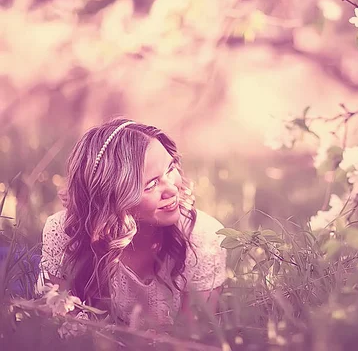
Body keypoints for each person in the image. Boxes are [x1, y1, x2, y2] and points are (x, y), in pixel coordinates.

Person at [40, 118, 228, 329]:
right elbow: (61, 323)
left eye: (170, 168)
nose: (172, 189)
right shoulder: (65, 232)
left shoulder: (202, 236)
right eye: (151, 184)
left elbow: (192, 336)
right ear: (110, 196)